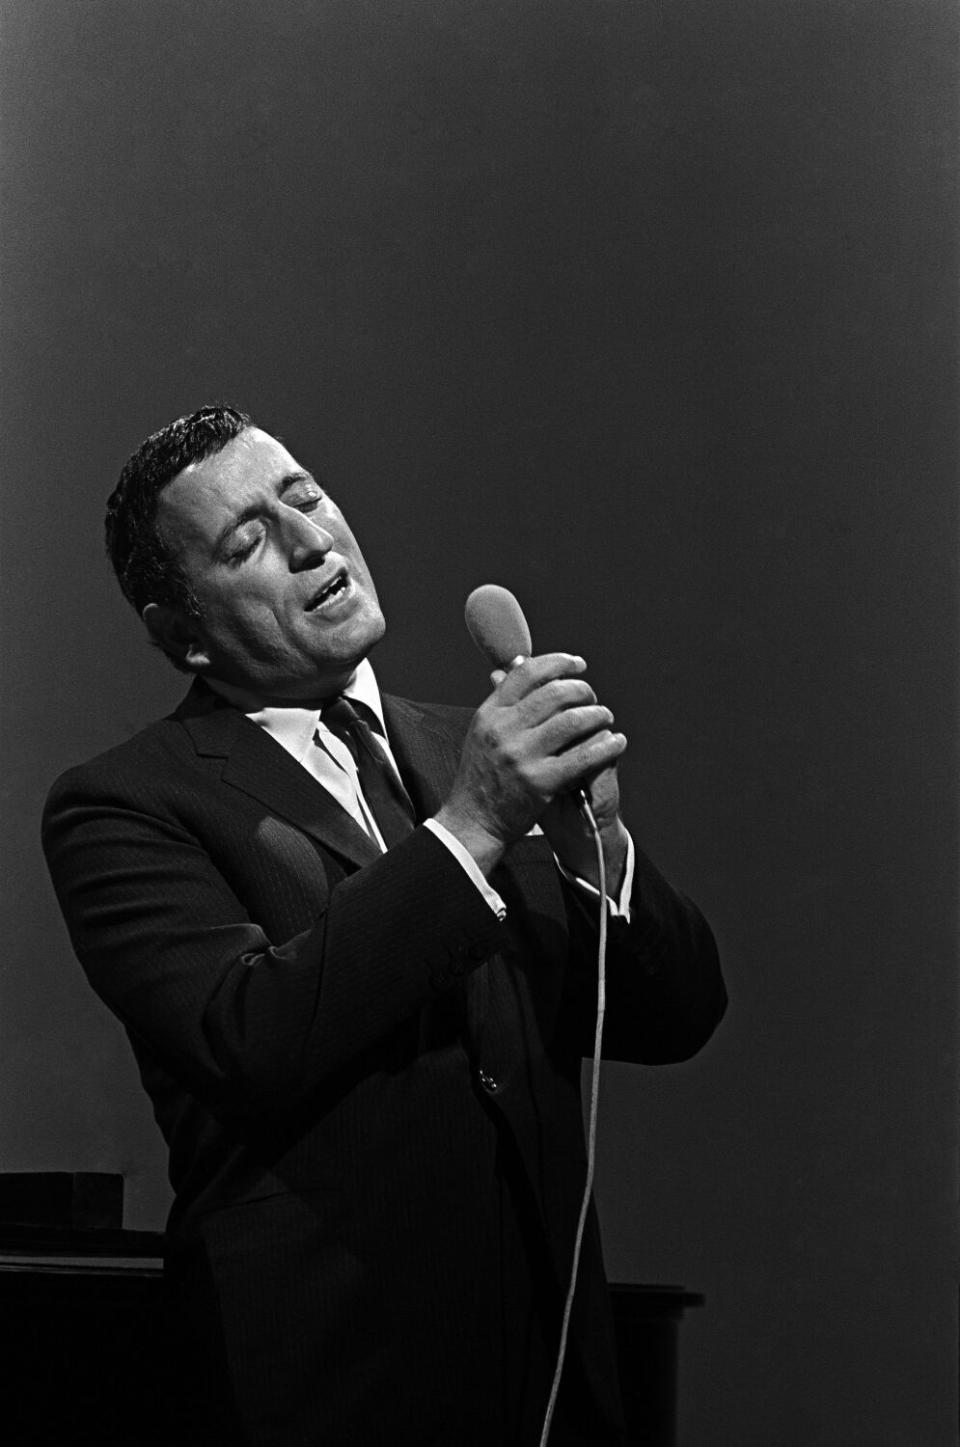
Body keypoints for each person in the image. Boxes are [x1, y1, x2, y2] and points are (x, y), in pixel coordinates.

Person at [42, 405, 726, 1447]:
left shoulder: (471, 748)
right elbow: (249, 1032)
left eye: (305, 496)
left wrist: (603, 857)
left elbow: (675, 1016)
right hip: (328, 1383)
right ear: (181, 628)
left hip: (549, 1374)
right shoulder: (127, 802)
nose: (313, 540)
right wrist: (475, 824)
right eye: (248, 540)